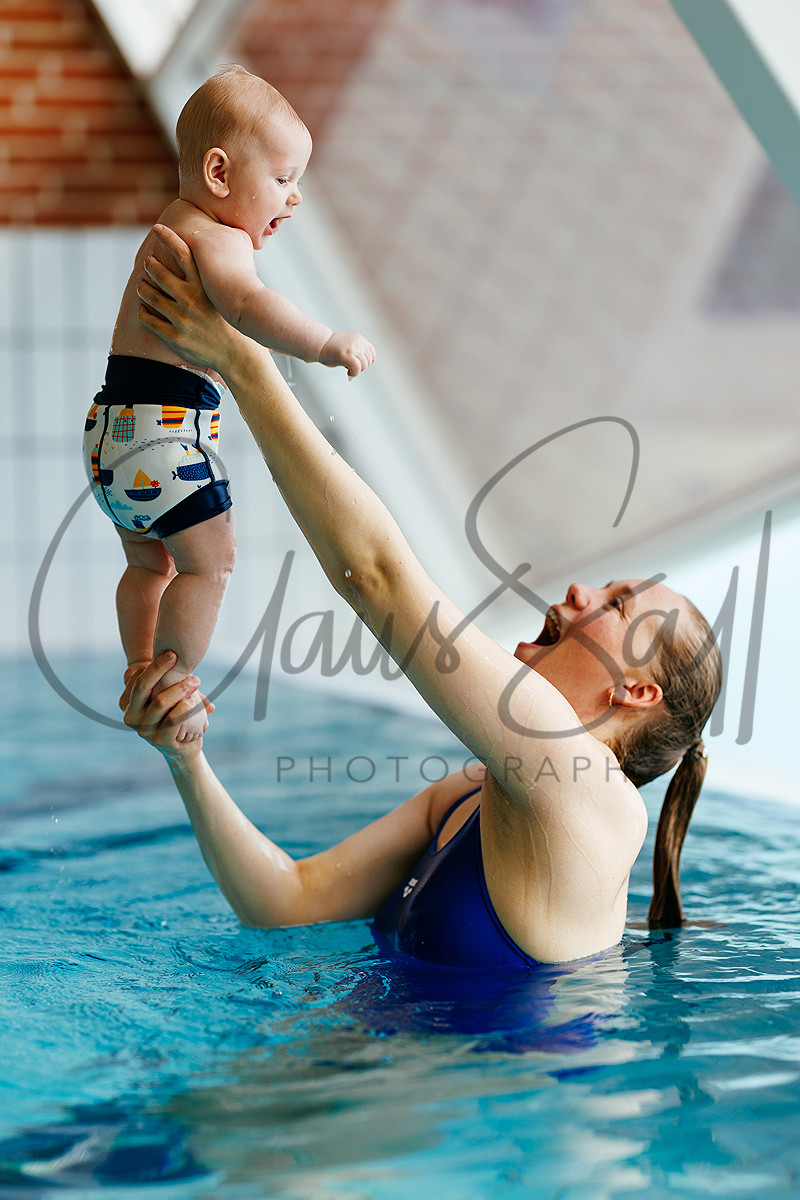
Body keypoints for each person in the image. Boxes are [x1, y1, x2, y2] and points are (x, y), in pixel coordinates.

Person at [124, 225, 722, 967]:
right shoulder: (471, 793)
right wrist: (186, 758)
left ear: (636, 691)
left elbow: (375, 576)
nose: (581, 588)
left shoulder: (594, 800)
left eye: (618, 603)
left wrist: (241, 359)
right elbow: (284, 901)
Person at [82, 65, 375, 741]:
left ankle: (140, 665)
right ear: (219, 173)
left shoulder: (171, 224)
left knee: (147, 564)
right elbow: (247, 303)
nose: (295, 198)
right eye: (283, 178)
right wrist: (324, 343)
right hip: (163, 439)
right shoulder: (221, 239)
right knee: (210, 565)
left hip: (110, 436)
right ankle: (176, 681)